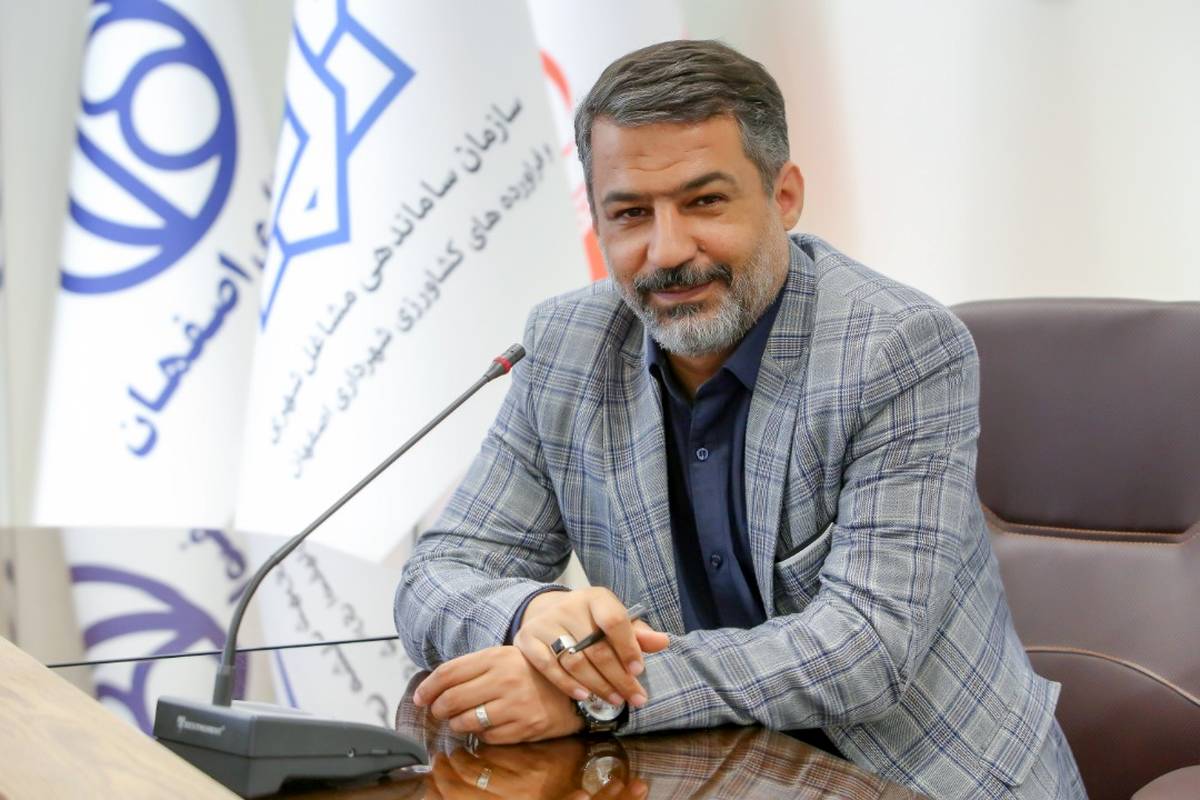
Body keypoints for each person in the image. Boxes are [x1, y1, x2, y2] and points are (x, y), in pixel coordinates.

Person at [396, 40, 1085, 799]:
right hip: (697, 771)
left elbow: (867, 646)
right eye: (631, 213)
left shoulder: (897, 348)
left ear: (784, 197)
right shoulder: (567, 345)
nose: (667, 251)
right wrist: (535, 614)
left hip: (915, 777)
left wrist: (594, 696)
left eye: (704, 202)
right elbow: (439, 573)